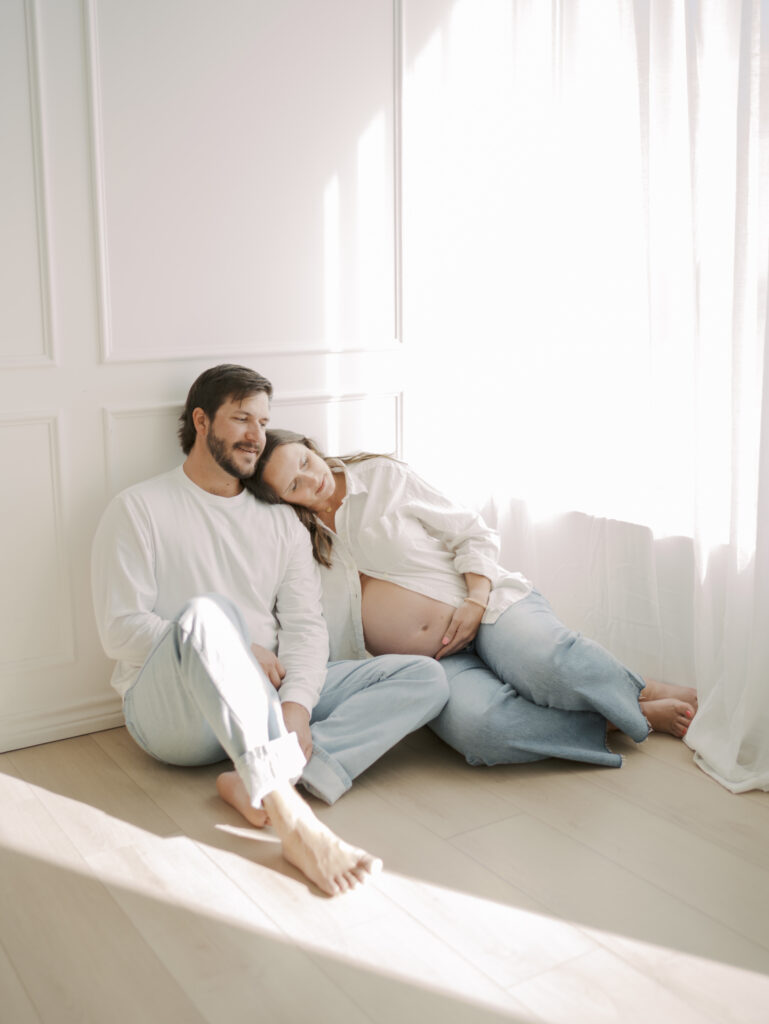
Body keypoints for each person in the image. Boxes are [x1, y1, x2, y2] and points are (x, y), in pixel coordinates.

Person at [91, 365, 449, 896]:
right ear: (201, 421)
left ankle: (259, 777)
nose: (256, 435)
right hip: (175, 716)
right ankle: (294, 821)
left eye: (263, 422)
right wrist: (233, 650)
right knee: (209, 614)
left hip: (269, 699)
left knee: (424, 678)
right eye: (242, 418)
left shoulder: (280, 519)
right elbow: (119, 631)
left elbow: (305, 625)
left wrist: (296, 707)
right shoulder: (138, 508)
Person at [247, 429, 698, 771]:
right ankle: (622, 718)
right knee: (482, 730)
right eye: (294, 485)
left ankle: (639, 689)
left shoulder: (381, 478)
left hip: (486, 607)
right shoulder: (293, 539)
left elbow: (471, 532)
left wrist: (476, 601)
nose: (312, 480)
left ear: (311, 445)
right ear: (284, 501)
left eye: (305, 461)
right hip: (433, 663)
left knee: (551, 666)